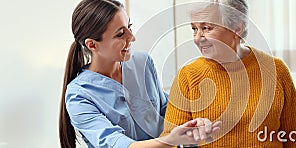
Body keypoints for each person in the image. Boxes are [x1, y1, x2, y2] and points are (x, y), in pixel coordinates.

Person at [59, 0, 221, 147]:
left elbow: (166, 111)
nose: (132, 37)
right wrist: (170, 140)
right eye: (121, 34)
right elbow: (117, 144)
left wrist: (192, 124)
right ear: (93, 45)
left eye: (129, 27)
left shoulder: (142, 63)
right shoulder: (80, 95)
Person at [161, 0, 296, 147]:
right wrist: (188, 134)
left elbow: (295, 139)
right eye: (194, 29)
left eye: (206, 28)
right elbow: (169, 141)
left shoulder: (276, 70)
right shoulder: (188, 75)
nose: (197, 38)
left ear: (237, 28)